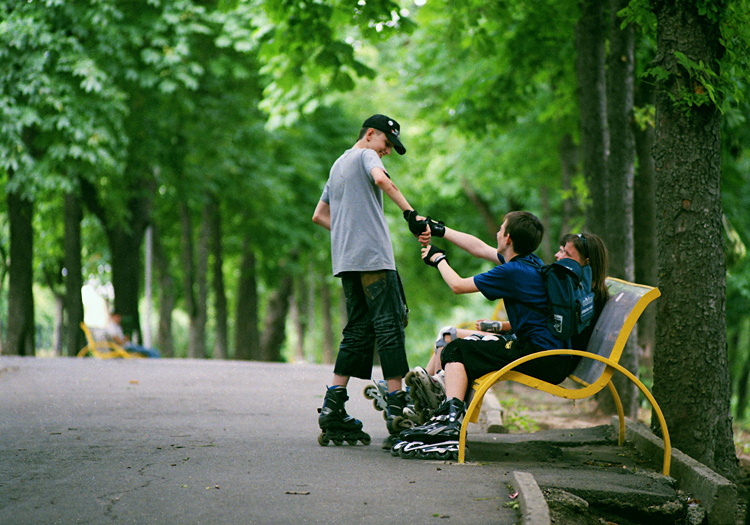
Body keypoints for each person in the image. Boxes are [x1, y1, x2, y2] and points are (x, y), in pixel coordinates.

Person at [395, 213, 608, 459]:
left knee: (458, 350)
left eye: (500, 228)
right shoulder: (530, 262)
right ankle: (435, 402)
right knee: (454, 339)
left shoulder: (514, 271)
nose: (497, 232)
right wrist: (439, 229)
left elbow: (457, 285)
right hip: (546, 353)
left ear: (507, 238)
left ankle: (448, 422)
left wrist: (438, 258)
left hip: (540, 355)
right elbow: (478, 248)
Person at [311, 114, 428, 448]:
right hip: (374, 259)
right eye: (386, 143)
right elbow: (382, 181)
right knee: (390, 325)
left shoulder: (337, 165)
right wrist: (412, 216)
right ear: (370, 134)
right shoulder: (366, 155)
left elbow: (320, 215)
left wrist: (349, 233)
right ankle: (398, 408)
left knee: (358, 329)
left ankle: (332, 406)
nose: (387, 151)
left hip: (347, 260)